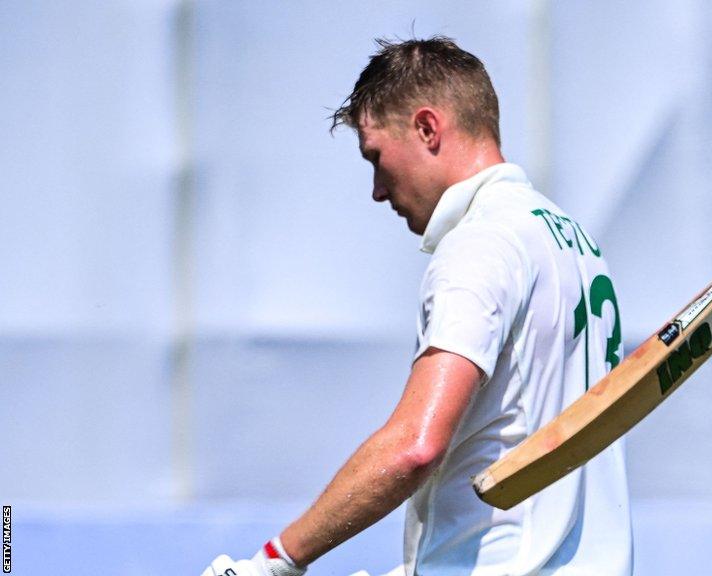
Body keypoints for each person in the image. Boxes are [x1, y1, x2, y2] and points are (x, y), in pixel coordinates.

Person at [200, 36, 632, 576]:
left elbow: (414, 446)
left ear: (427, 128)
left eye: (375, 157)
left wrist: (276, 560)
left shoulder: (481, 242)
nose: (378, 190)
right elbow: (516, 432)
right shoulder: (573, 240)